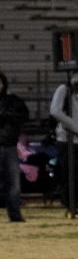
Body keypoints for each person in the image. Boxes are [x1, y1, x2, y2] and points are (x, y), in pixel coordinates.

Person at [50, 67, 78, 218]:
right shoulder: (63, 90)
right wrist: (73, 126)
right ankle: (70, 206)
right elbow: (55, 111)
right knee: (68, 175)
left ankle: (72, 205)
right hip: (66, 140)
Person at [0, 72, 29, 222]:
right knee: (12, 184)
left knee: (13, 184)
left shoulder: (12, 101)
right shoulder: (13, 102)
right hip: (9, 146)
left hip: (9, 146)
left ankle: (15, 216)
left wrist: (4, 114)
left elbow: (25, 116)